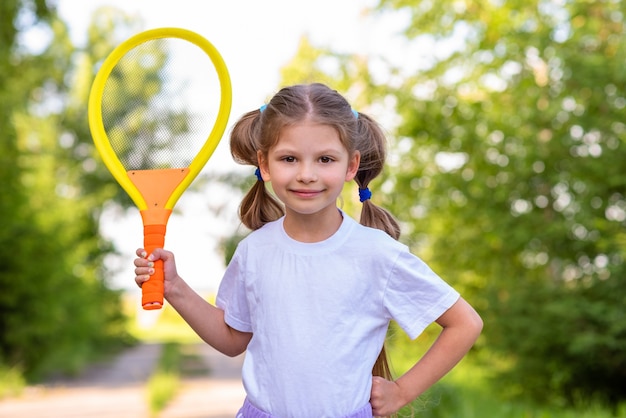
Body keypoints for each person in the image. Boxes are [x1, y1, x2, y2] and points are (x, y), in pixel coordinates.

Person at [134, 83, 483, 418]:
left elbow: (464, 323)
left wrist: (402, 392)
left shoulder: (376, 253)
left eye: (325, 160)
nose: (306, 174)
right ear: (265, 164)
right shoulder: (254, 251)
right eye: (289, 158)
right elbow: (231, 338)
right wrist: (174, 288)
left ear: (351, 166)